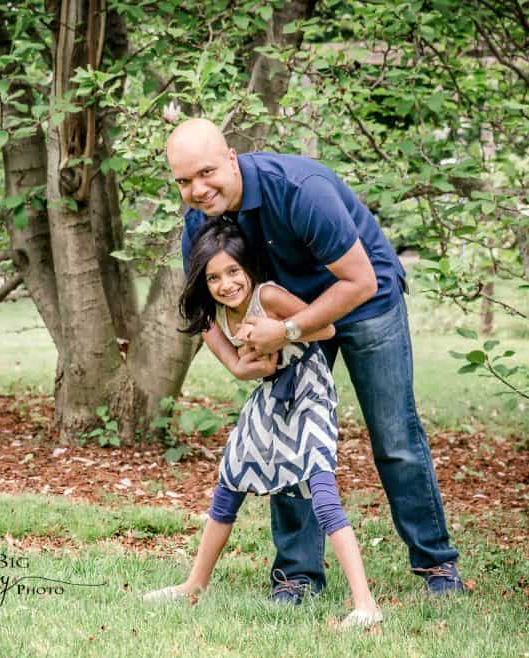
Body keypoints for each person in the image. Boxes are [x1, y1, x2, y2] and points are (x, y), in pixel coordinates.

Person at [166, 118, 464, 602]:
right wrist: (234, 362)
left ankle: (437, 566)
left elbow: (360, 283)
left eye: (205, 173)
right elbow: (201, 308)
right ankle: (297, 576)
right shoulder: (200, 222)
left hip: (365, 302)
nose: (197, 190)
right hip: (288, 313)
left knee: (393, 436)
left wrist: (285, 330)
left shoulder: (301, 190)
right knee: (286, 434)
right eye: (183, 181)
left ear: (232, 158)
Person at [143, 220, 382, 628]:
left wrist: (281, 332)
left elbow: (325, 328)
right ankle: (194, 585)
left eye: (233, 271)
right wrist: (251, 363)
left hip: (308, 390)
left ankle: (365, 604)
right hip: (269, 394)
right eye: (213, 277)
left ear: (249, 268)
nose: (225, 284)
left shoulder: (267, 295)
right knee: (230, 481)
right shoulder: (210, 315)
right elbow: (238, 367)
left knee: (320, 488)